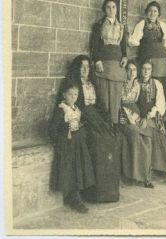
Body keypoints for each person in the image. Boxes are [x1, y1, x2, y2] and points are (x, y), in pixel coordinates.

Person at [68, 55, 120, 202]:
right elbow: (74, 107)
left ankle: (109, 192)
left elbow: (101, 105)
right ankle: (95, 192)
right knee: (98, 143)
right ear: (77, 68)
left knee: (110, 139)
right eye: (82, 66)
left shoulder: (93, 83)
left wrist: (106, 119)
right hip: (85, 120)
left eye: (87, 67)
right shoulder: (73, 84)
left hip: (97, 120)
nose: (85, 69)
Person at [49, 80, 95, 213]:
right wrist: (64, 129)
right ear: (64, 95)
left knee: (80, 169)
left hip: (78, 145)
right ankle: (74, 198)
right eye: (70, 94)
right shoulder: (61, 109)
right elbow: (52, 129)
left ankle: (77, 195)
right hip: (67, 146)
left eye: (75, 94)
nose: (73, 97)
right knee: (72, 171)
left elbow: (80, 123)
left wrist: (81, 126)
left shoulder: (77, 109)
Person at [128, 1, 166, 106]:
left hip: (161, 61)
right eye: (150, 11)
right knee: (147, 84)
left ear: (158, 13)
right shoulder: (141, 24)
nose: (152, 13)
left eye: (155, 11)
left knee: (161, 85)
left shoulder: (163, 26)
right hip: (147, 58)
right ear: (146, 12)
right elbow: (134, 41)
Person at [137, 61, 166, 186]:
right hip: (139, 118)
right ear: (140, 70)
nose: (146, 71)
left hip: (153, 117)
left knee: (160, 136)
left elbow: (160, 105)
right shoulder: (135, 83)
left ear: (152, 71)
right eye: (144, 68)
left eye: (148, 69)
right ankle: (146, 173)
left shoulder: (157, 84)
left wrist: (149, 116)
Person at [91, 0, 128, 124]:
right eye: (108, 7)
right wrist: (97, 60)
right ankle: (106, 126)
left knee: (116, 97)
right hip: (104, 65)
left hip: (117, 65)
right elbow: (94, 45)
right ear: (104, 9)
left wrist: (124, 57)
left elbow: (124, 45)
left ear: (117, 9)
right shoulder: (99, 25)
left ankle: (116, 125)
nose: (111, 10)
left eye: (113, 7)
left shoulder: (122, 27)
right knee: (104, 97)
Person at [120, 60, 154, 188]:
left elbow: (143, 103)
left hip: (136, 114)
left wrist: (144, 117)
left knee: (147, 136)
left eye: (134, 70)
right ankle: (134, 175)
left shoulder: (138, 85)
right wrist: (123, 115)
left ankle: (146, 176)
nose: (132, 72)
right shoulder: (120, 84)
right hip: (123, 115)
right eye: (129, 69)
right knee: (134, 134)